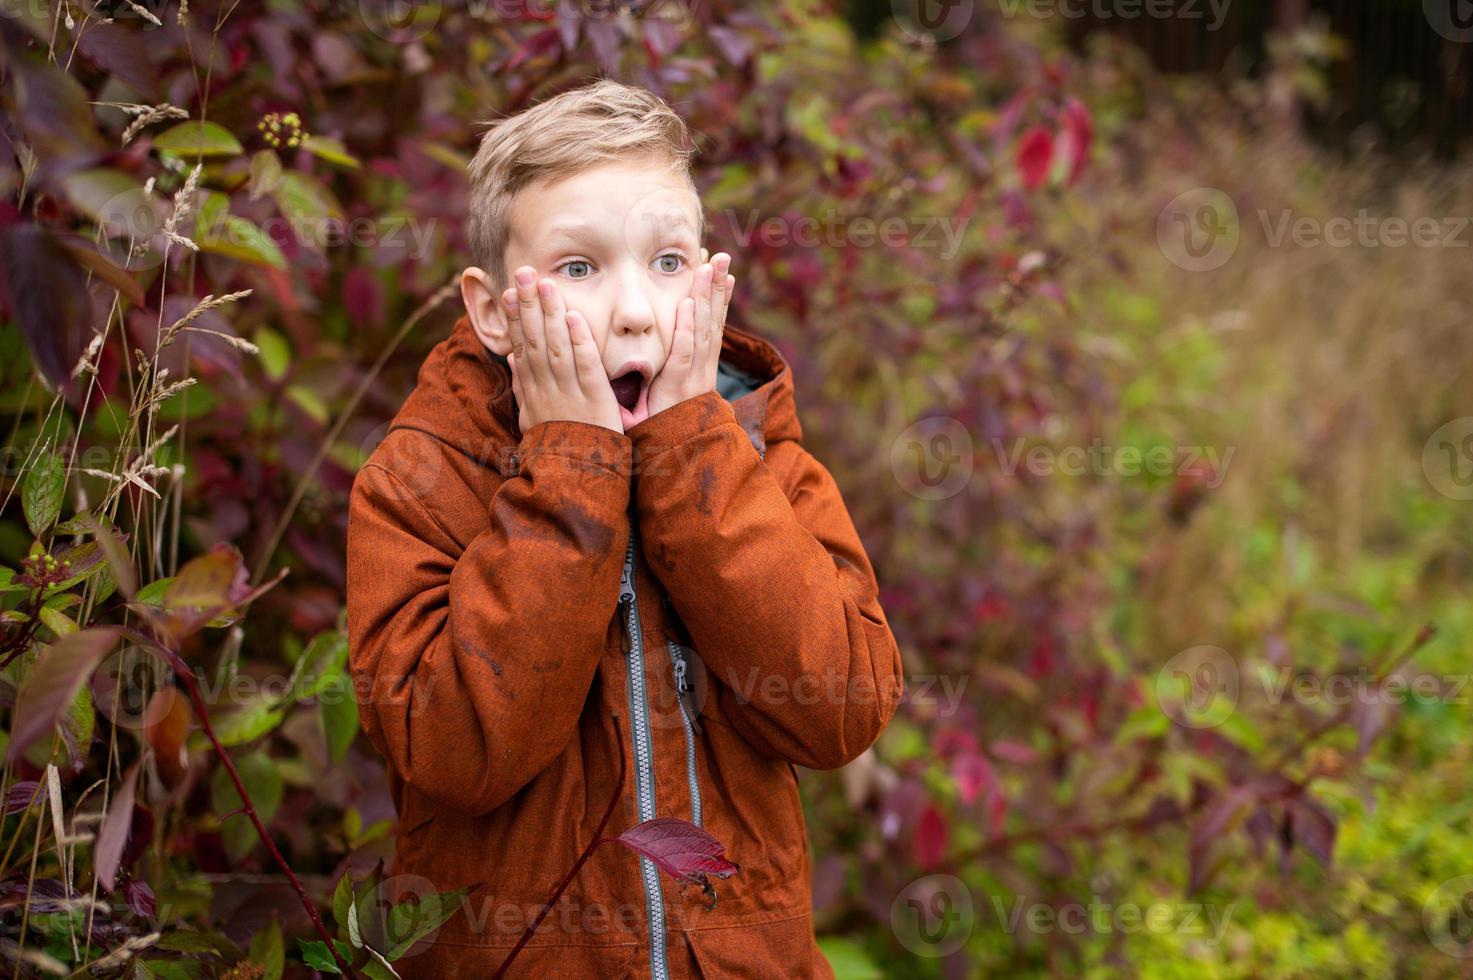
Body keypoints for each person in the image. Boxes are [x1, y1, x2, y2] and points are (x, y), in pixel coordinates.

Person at [346, 77, 905, 979]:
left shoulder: (758, 453)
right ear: (492, 312)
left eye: (669, 262)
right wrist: (569, 468)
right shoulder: (424, 476)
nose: (637, 310)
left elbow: (836, 712)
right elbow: (454, 752)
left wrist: (694, 457)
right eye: (579, 268)